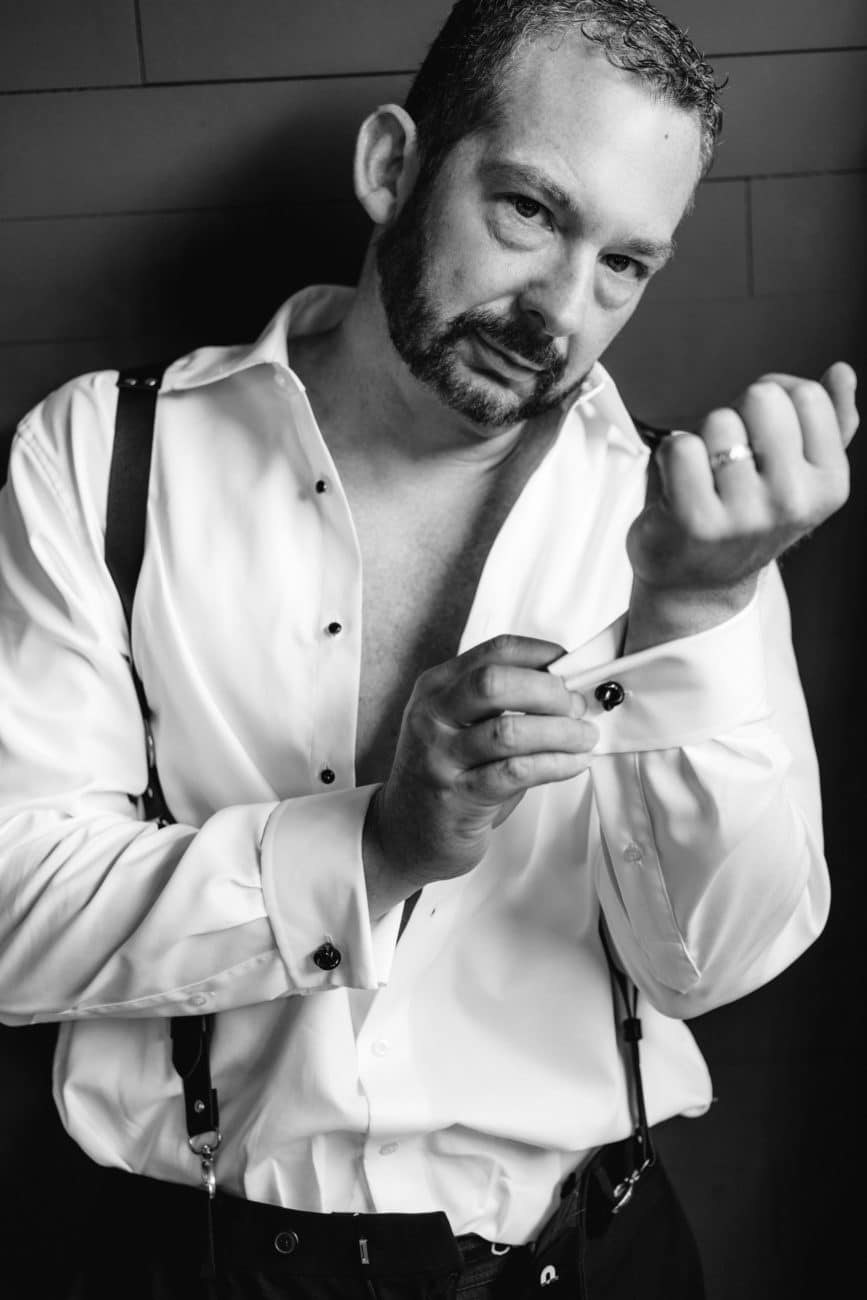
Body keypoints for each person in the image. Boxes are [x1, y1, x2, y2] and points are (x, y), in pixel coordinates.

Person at [0, 1, 858, 1296]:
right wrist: (377, 848)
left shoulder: (683, 527)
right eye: (529, 210)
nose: (562, 310)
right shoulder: (100, 459)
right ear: (393, 166)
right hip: (202, 1263)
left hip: (596, 1258)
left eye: (626, 264)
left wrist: (695, 620)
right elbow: (13, 920)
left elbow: (715, 961)